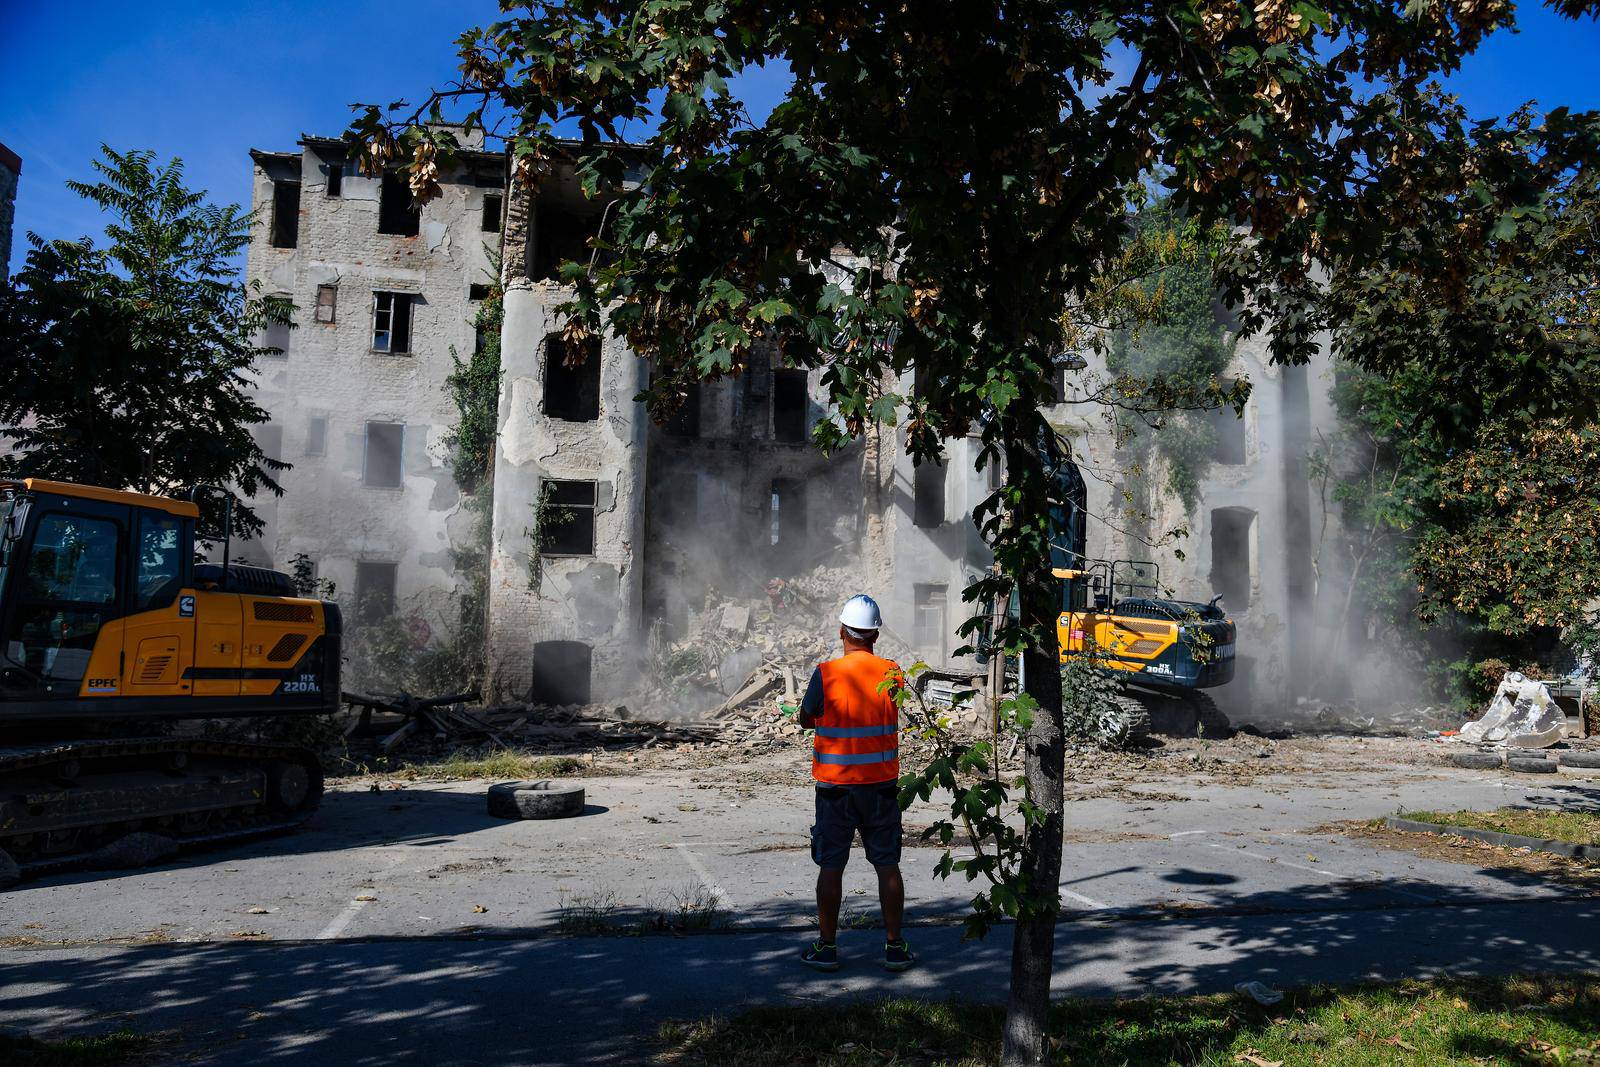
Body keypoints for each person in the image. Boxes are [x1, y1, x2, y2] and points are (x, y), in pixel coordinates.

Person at [796, 594, 915, 972]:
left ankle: (827, 947)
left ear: (841, 632)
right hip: (880, 787)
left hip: (835, 788)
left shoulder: (825, 674)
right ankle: (894, 948)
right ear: (875, 636)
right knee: (887, 865)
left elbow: (806, 718)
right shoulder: (893, 672)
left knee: (831, 867)